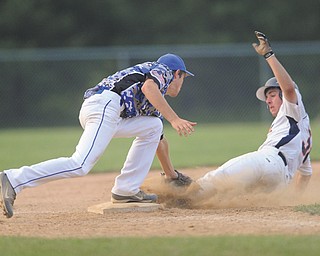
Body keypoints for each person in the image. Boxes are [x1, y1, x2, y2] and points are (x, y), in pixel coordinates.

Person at [0, 53, 197, 218]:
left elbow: (158, 140)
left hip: (108, 111)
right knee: (80, 164)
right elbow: (149, 87)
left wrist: (172, 176)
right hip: (105, 106)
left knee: (153, 126)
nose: (182, 82)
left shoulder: (154, 100)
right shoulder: (161, 70)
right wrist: (175, 119)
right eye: (183, 78)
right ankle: (14, 178)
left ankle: (126, 190)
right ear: (177, 73)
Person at [185, 31, 312, 203]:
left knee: (220, 177)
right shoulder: (301, 129)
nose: (268, 101)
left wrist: (269, 55)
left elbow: (289, 89)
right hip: (278, 182)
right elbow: (305, 174)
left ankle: (181, 195)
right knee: (226, 192)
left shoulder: (293, 108)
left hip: (270, 162)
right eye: (267, 97)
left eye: (273, 95)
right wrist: (294, 201)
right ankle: (192, 200)